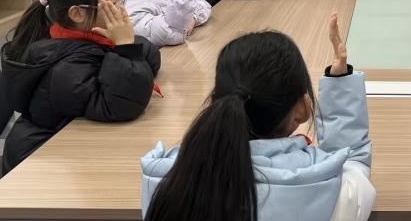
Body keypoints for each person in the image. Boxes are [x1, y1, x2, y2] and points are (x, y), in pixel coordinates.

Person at [141, 13, 375, 221]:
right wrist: (340, 83)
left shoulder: (166, 182)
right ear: (302, 109)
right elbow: (353, 165)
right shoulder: (332, 189)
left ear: (216, 101)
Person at [1, 0, 160, 174]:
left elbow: (150, 57)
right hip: (41, 166)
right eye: (113, 2)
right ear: (77, 14)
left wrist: (126, 43)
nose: (122, 9)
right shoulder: (66, 67)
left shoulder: (87, 38)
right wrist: (125, 45)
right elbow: (123, 105)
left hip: (70, 154)